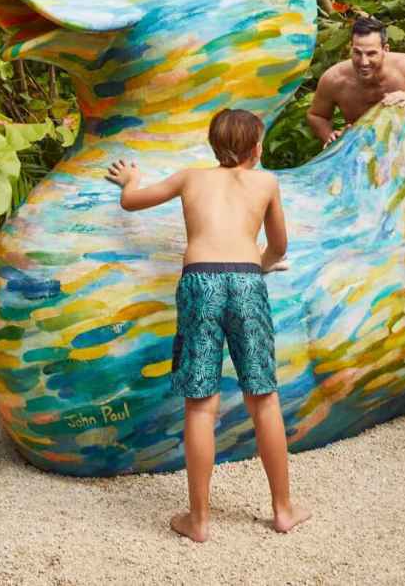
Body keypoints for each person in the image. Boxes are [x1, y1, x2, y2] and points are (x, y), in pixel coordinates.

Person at [105, 109, 309, 543]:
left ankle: (198, 520)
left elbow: (132, 202)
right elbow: (278, 246)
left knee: (200, 403)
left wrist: (130, 180)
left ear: (214, 147)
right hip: (246, 280)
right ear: (257, 147)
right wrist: (260, 268)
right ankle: (283, 509)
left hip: (200, 281)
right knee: (264, 398)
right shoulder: (266, 182)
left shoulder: (190, 178)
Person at [307, 16, 405, 146]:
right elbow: (317, 115)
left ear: (385, 49)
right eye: (357, 53)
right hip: (360, 153)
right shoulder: (334, 78)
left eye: (371, 53)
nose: (364, 61)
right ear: (350, 48)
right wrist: (331, 137)